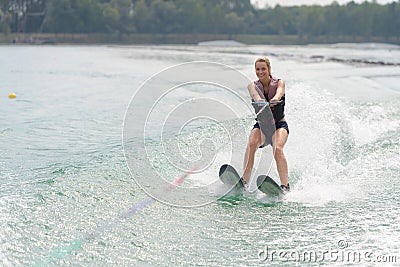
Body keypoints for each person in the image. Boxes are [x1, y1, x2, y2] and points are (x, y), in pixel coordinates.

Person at [241, 57, 290, 192]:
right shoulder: (252, 85)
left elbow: (280, 92)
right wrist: (260, 101)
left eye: (263, 68)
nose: (260, 72)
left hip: (279, 126)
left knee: (277, 148)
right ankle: (244, 181)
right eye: (257, 69)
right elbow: (255, 95)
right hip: (262, 126)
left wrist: (275, 99)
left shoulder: (279, 83)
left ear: (269, 69)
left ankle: (285, 186)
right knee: (251, 144)